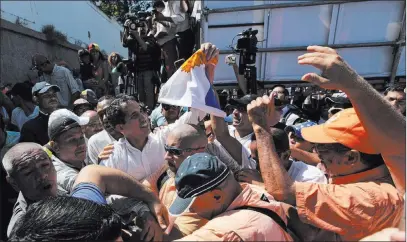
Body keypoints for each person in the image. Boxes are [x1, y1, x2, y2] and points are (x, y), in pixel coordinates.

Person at [247, 45, 405, 240]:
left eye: (325, 156)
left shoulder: (366, 198)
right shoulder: (377, 170)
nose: (321, 163)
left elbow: (283, 192)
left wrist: (261, 129)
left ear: (351, 157)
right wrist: (351, 84)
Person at [5, 148, 167, 241]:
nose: (42, 176)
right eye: (28, 173)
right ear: (13, 183)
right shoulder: (22, 232)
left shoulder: (77, 202)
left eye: (45, 165)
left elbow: (93, 172)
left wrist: (149, 200)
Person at [168, 153, 293, 241]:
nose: (190, 210)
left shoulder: (229, 229)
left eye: (191, 203)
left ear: (217, 196)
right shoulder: (255, 191)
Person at [100, 94, 205, 181]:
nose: (144, 118)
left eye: (141, 111)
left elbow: (197, 113)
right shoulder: (112, 157)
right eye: (134, 116)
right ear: (120, 127)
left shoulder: (164, 137)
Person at [238, 128, 327, 185]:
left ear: (285, 156)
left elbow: (298, 210)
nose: (257, 167)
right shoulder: (253, 175)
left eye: (263, 162)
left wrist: (261, 184)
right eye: (255, 160)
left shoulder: (311, 177)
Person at [46, 109, 88, 194]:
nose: (81, 144)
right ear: (56, 147)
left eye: (81, 137)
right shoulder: (54, 171)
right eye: (72, 140)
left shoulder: (87, 149)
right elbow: (87, 188)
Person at [123, 20, 161, 109]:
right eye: (140, 27)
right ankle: (142, 109)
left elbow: (146, 48)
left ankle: (150, 109)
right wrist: (126, 28)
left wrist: (137, 36)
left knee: (149, 92)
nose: (142, 29)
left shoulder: (150, 39)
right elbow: (125, 43)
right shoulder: (133, 39)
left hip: (149, 70)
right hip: (139, 70)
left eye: (144, 26)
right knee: (140, 93)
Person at [86, 96, 123, 165]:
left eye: (108, 111)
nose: (105, 118)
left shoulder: (137, 131)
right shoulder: (94, 143)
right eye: (100, 115)